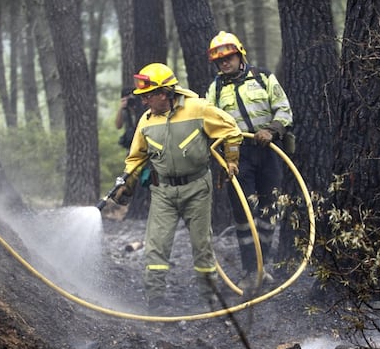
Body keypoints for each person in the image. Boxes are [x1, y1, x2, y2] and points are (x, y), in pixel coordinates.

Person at [111, 62, 243, 313]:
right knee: (156, 246)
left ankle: (210, 299)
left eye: (148, 96)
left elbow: (231, 131)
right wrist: (126, 183)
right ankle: (155, 301)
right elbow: (136, 157)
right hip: (163, 191)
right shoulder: (146, 121)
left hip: (197, 188)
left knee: (202, 246)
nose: (144, 102)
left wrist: (232, 159)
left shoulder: (199, 109)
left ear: (164, 93)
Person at [206, 31, 293, 292]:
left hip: (268, 151)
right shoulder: (215, 89)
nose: (224, 63)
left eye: (229, 57)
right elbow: (208, 122)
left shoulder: (264, 78)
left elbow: (284, 108)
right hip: (236, 157)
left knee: (269, 209)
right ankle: (249, 270)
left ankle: (263, 266)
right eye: (219, 60)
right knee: (243, 215)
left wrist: (272, 130)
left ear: (239, 54)